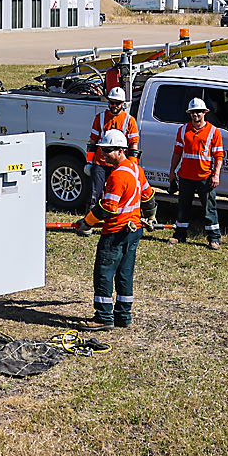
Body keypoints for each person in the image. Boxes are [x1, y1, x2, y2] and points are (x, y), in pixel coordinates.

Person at [84, 129, 156, 328]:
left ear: (120, 151)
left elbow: (108, 207)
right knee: (125, 273)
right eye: (103, 150)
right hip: (134, 231)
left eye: (107, 151)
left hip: (115, 233)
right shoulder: (136, 170)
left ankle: (103, 318)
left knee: (104, 272)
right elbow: (148, 197)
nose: (103, 154)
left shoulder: (117, 176)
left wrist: (87, 222)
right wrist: (150, 216)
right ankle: (123, 316)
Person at [80, 87, 140, 231]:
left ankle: (115, 222)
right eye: (112, 102)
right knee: (94, 194)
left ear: (123, 104)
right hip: (100, 163)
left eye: (117, 103)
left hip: (119, 165)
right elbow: (92, 142)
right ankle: (89, 224)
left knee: (115, 195)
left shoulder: (129, 120)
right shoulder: (99, 118)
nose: (114, 106)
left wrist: (131, 165)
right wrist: (89, 162)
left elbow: (134, 145)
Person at [169, 97, 225, 249]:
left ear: (205, 112)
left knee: (209, 209)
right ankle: (179, 235)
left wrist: (216, 174)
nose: (196, 115)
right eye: (193, 112)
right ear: (189, 113)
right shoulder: (183, 130)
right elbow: (177, 152)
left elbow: (218, 155)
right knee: (183, 207)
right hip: (185, 177)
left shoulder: (214, 132)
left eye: (199, 112)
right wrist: (172, 171)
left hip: (205, 178)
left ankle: (214, 238)